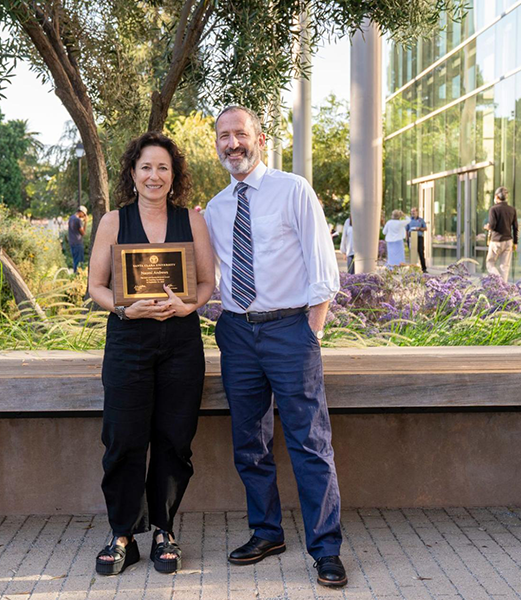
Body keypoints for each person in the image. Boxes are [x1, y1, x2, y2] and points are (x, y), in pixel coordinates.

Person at [204, 105, 346, 588]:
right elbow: (210, 277)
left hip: (290, 331)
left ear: (259, 138)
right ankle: (266, 532)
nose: (232, 144)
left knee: (310, 441)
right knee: (250, 441)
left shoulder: (293, 189)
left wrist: (313, 328)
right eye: (224, 137)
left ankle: (325, 549)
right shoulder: (217, 208)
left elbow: (322, 264)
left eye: (240, 134)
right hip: (238, 332)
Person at [87, 131, 215, 576]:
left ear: (174, 174)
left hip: (181, 343)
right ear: (133, 173)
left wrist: (188, 305)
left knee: (174, 440)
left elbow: (206, 285)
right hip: (128, 342)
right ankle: (122, 533)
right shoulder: (113, 222)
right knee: (122, 439)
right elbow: (96, 287)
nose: (154, 175)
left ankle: (164, 530)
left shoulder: (191, 221)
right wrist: (127, 306)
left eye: (163, 167)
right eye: (146, 167)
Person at [484, 187, 518, 281]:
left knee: (490, 263)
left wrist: (488, 227)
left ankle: (499, 281)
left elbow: (493, 225)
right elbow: (515, 227)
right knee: (504, 267)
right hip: (508, 241)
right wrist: (515, 242)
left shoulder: (493, 209)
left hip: (496, 241)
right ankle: (504, 289)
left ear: (496, 197)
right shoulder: (512, 209)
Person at [406, 207, 427, 273]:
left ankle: (424, 268)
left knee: (421, 252)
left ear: (417, 212)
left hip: (419, 237)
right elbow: (406, 230)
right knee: (412, 253)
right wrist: (407, 239)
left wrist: (419, 228)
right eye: (411, 211)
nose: (412, 213)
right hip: (411, 238)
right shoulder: (408, 220)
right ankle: (412, 268)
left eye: (414, 211)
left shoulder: (421, 220)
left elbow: (425, 228)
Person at [68, 206, 87, 274]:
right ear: (81, 212)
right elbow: (83, 233)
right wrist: (85, 222)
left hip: (72, 242)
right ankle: (78, 276)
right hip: (78, 243)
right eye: (84, 214)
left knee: (75, 261)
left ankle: (75, 275)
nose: (83, 216)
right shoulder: (78, 220)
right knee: (79, 262)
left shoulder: (71, 218)